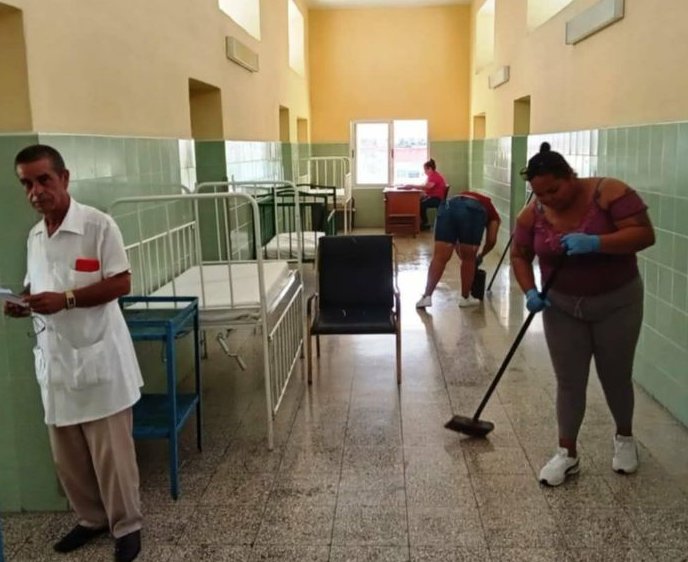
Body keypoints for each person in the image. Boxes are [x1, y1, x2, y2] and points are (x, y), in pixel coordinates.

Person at [3, 145, 144, 561]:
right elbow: (37, 286)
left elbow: (121, 283)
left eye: (43, 180)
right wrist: (23, 303)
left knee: (111, 457)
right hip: (56, 362)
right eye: (26, 183)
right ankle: (90, 519)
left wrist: (65, 299)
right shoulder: (34, 236)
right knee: (69, 457)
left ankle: (127, 526)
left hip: (99, 359)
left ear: (64, 178)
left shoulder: (98, 226)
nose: (35, 191)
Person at [511, 142, 655, 487]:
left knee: (615, 375)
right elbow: (520, 254)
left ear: (570, 176)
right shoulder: (532, 214)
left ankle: (624, 439)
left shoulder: (609, 193)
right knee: (569, 380)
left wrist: (598, 243)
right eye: (539, 193)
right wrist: (529, 291)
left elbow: (645, 235)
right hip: (562, 305)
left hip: (617, 301)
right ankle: (567, 454)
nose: (548, 198)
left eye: (554, 189)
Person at [416, 189, 500, 309]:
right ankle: (465, 298)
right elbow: (491, 240)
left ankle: (426, 297)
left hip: (447, 206)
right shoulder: (493, 214)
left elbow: (455, 240)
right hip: (473, 210)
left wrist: (459, 247)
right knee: (469, 259)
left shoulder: (461, 198)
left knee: (439, 257)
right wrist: (480, 256)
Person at [407, 158, 448, 230]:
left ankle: (424, 223)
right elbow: (426, 187)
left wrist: (412, 185)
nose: (424, 171)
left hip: (437, 199)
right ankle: (423, 223)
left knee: (420, 205)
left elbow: (428, 186)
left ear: (430, 169)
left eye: (425, 169)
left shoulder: (434, 176)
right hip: (433, 197)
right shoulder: (431, 176)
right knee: (419, 202)